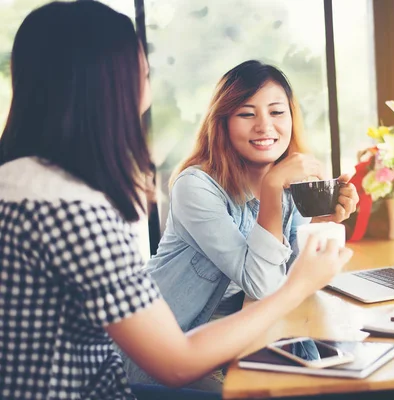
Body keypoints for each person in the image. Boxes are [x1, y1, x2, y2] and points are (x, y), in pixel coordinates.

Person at [0, 2, 353, 399]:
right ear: (112, 87)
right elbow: (175, 362)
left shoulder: (20, 183)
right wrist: (297, 287)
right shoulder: (74, 209)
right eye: (144, 75)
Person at [121, 60, 359, 385]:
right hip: (169, 353)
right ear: (223, 122)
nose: (264, 126)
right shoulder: (196, 186)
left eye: (277, 112)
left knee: (337, 378)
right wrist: (273, 187)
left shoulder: (289, 182)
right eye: (247, 114)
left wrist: (319, 221)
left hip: (236, 341)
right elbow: (261, 286)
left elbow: (285, 283)